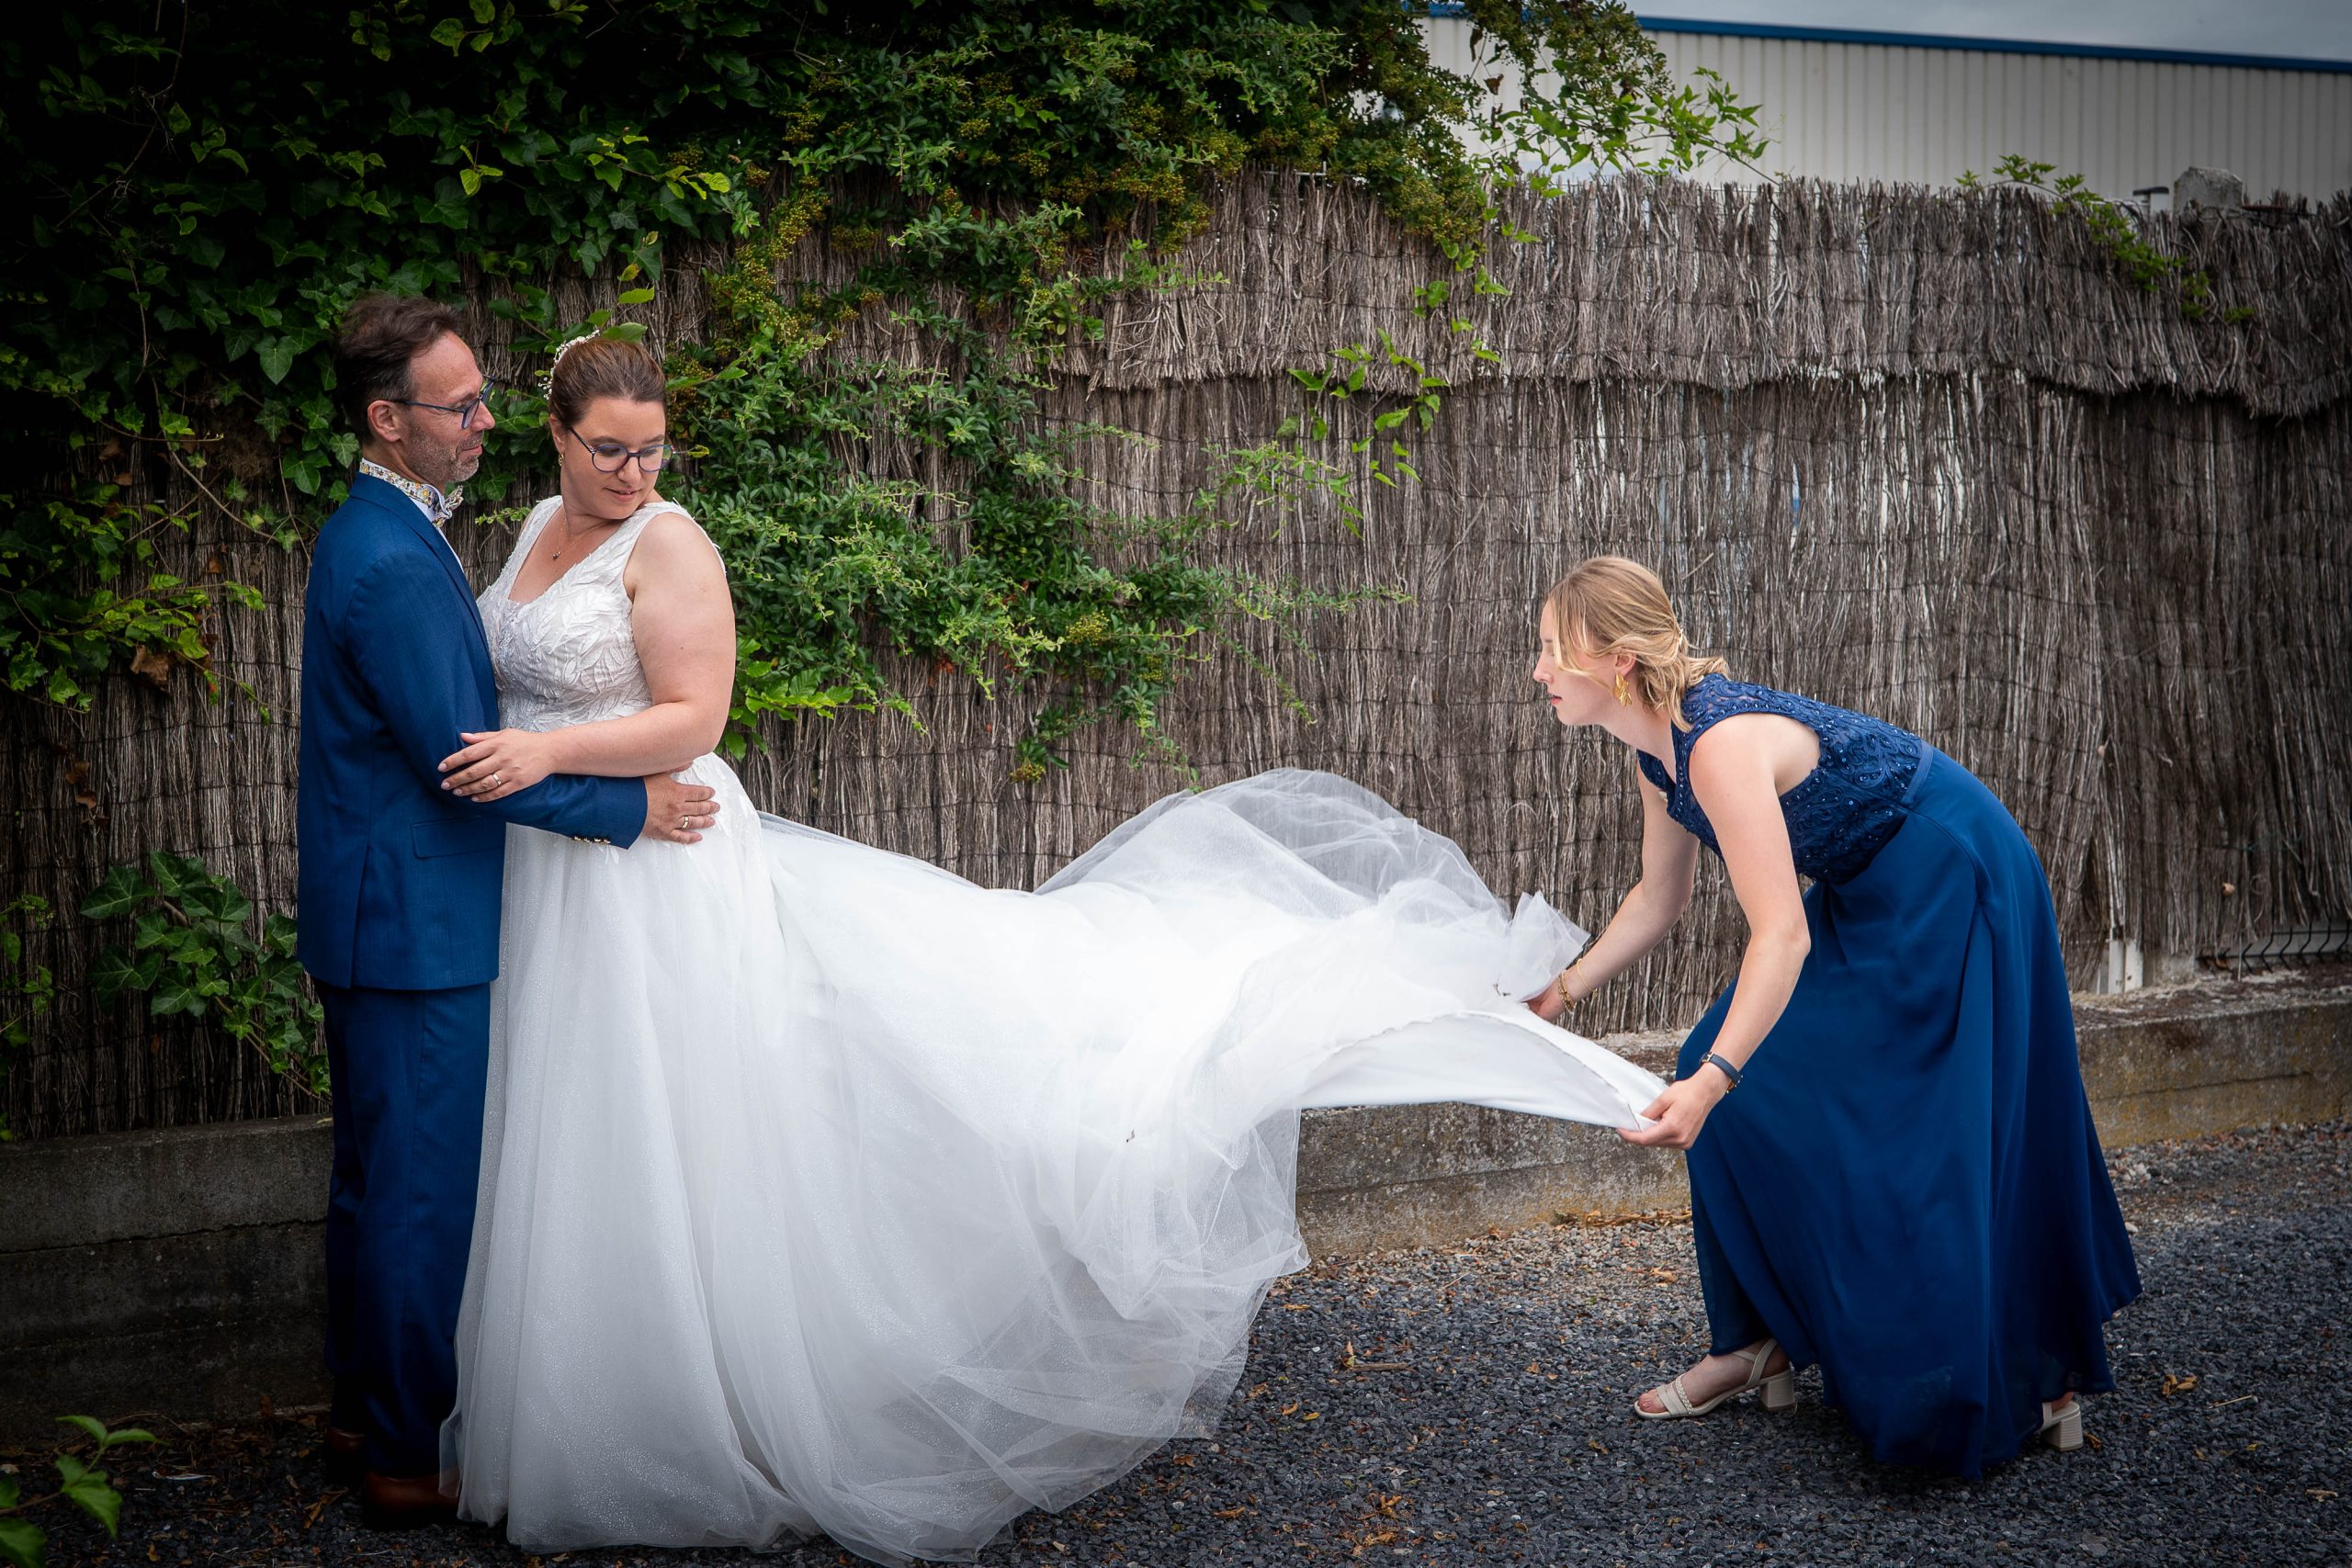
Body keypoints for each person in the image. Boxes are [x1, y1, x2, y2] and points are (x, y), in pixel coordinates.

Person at [427, 332, 1666, 1562]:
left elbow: (693, 717)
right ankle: (599, 1397)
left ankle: (706, 1410)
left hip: (656, 861)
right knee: (586, 1126)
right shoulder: (539, 520)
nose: (635, 472)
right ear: (556, 431)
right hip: (557, 868)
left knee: (700, 1118)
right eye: (610, 451)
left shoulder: (672, 540)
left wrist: (545, 753)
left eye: (653, 448)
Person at [1524, 555, 2141, 1475]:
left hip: (1951, 869)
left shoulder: (1719, 745)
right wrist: (1559, 993)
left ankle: (2034, 1370)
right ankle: (1755, 1343)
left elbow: (1780, 940)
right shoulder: (1655, 751)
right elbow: (1658, 899)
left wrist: (1715, 1081)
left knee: (1927, 1132)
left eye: (1548, 651)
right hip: (1870, 883)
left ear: (1614, 661)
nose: (1536, 672)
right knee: (1716, 1073)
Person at [295, 296, 720, 1528]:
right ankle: (403, 1450)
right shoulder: (391, 560)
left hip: (384, 905)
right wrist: (627, 812)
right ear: (390, 420)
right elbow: (463, 756)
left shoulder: (380, 532)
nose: (481, 416)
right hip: (415, 915)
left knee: (376, 1175)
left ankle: (358, 1403)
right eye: (459, 402)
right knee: (417, 1186)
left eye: (485, 395)